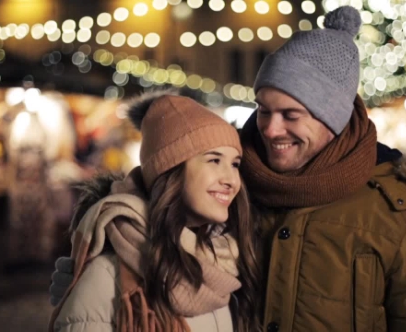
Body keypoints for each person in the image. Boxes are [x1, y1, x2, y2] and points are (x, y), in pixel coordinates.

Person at [51, 6, 406, 331]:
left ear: (332, 118)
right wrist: (102, 263)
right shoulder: (234, 180)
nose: (270, 128)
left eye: (290, 114)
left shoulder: (398, 210)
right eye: (263, 110)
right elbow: (163, 207)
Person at [48, 91, 261, 332]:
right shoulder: (107, 276)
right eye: (214, 160)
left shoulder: (226, 267)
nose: (231, 180)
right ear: (171, 170)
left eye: (235, 164)